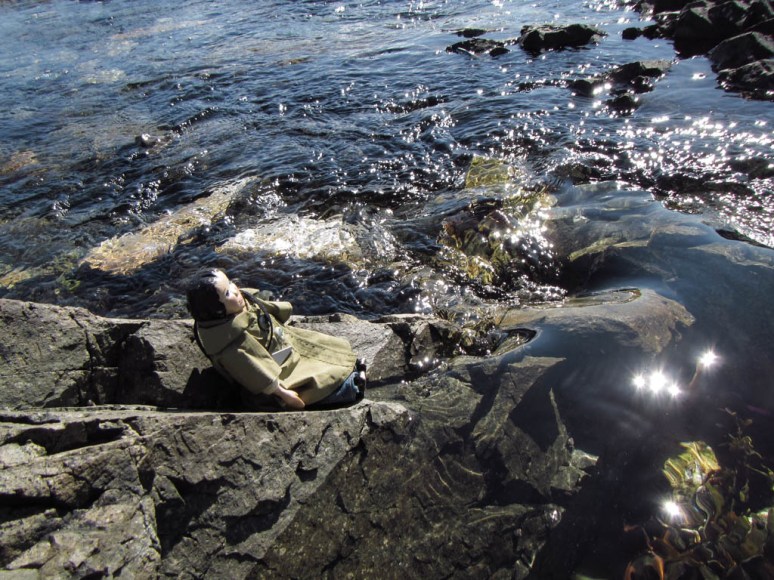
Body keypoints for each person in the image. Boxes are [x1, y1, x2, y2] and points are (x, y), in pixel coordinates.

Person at [186, 268, 366, 410]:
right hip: (277, 370)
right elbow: (255, 372)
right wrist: (283, 394)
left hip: (283, 344)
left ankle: (350, 368)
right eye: (227, 293)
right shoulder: (232, 343)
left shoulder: (242, 304)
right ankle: (352, 385)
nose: (235, 289)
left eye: (231, 282)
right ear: (217, 310)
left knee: (324, 346)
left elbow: (267, 308)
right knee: (316, 384)